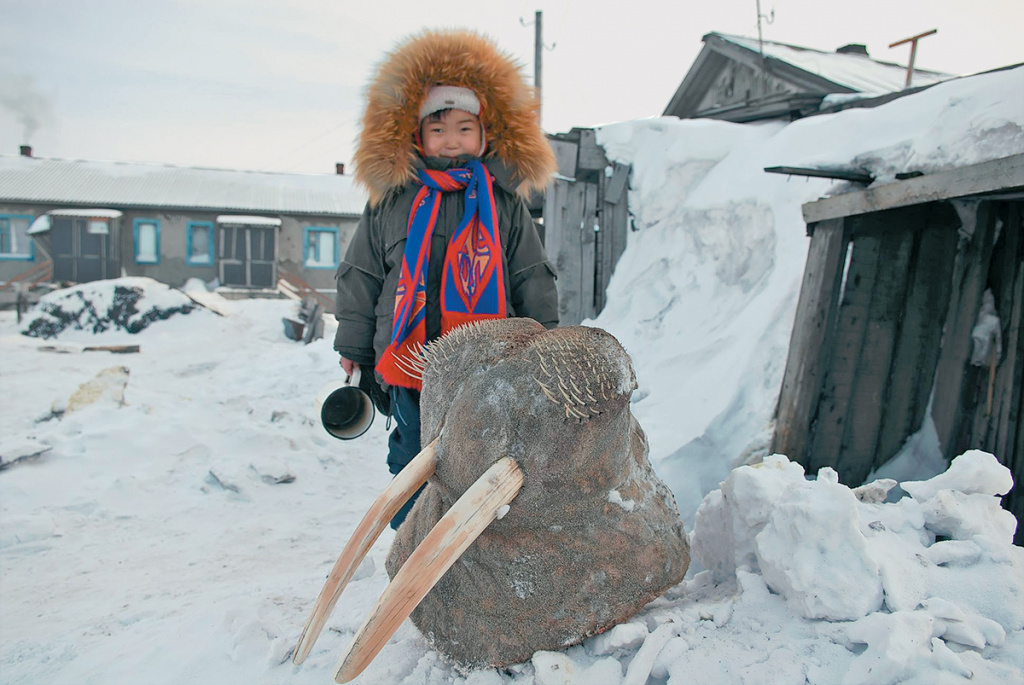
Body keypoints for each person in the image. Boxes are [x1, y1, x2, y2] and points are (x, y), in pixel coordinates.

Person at [333, 29, 559, 528]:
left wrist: (545, 340)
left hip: (486, 361)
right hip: (410, 359)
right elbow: (361, 274)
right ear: (416, 137)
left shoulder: (503, 204)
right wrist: (354, 344)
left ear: (486, 135)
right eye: (438, 130)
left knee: (482, 453)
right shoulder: (392, 202)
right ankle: (412, 545)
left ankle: (470, 548)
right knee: (412, 457)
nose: (452, 140)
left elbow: (530, 274)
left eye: (464, 128)